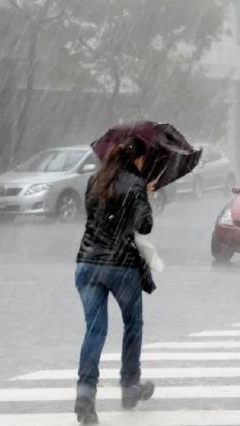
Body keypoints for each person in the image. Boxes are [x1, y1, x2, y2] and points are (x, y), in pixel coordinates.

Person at [74, 136, 155, 425]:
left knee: (94, 331)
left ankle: (85, 393)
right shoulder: (135, 185)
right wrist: (146, 195)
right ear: (137, 159)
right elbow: (144, 225)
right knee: (133, 324)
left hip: (87, 264)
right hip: (121, 267)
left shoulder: (94, 181)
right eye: (144, 159)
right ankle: (130, 385)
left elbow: (95, 218)